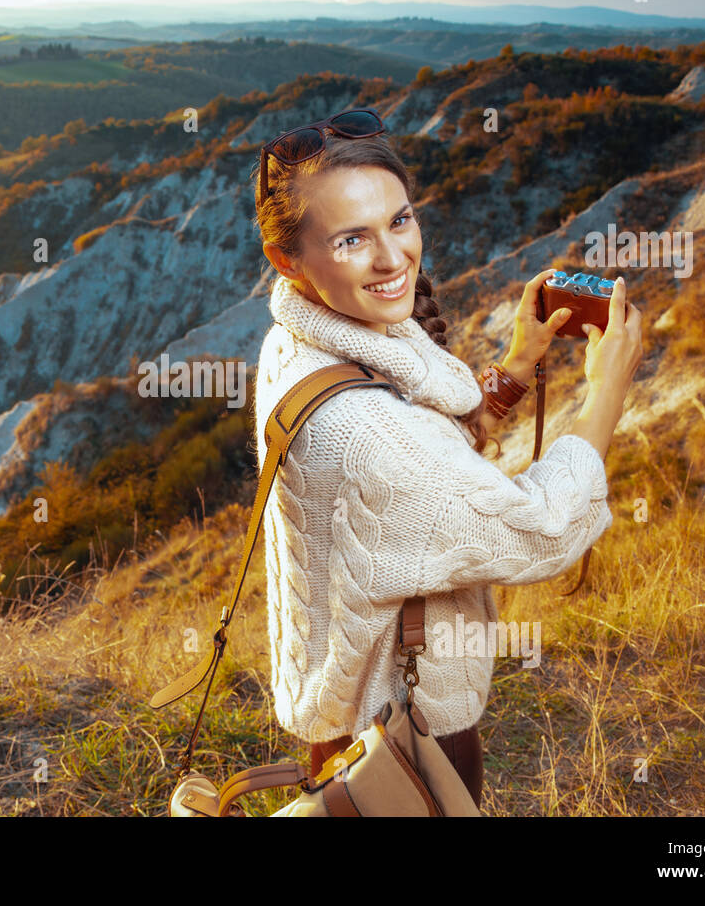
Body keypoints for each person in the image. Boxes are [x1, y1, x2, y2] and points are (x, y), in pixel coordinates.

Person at [250, 108, 644, 809]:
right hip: (408, 739)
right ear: (288, 259)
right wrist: (607, 386)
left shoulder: (299, 343)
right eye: (350, 239)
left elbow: (431, 452)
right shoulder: (367, 431)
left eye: (399, 221)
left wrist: (518, 366)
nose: (393, 258)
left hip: (348, 729)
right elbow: (543, 529)